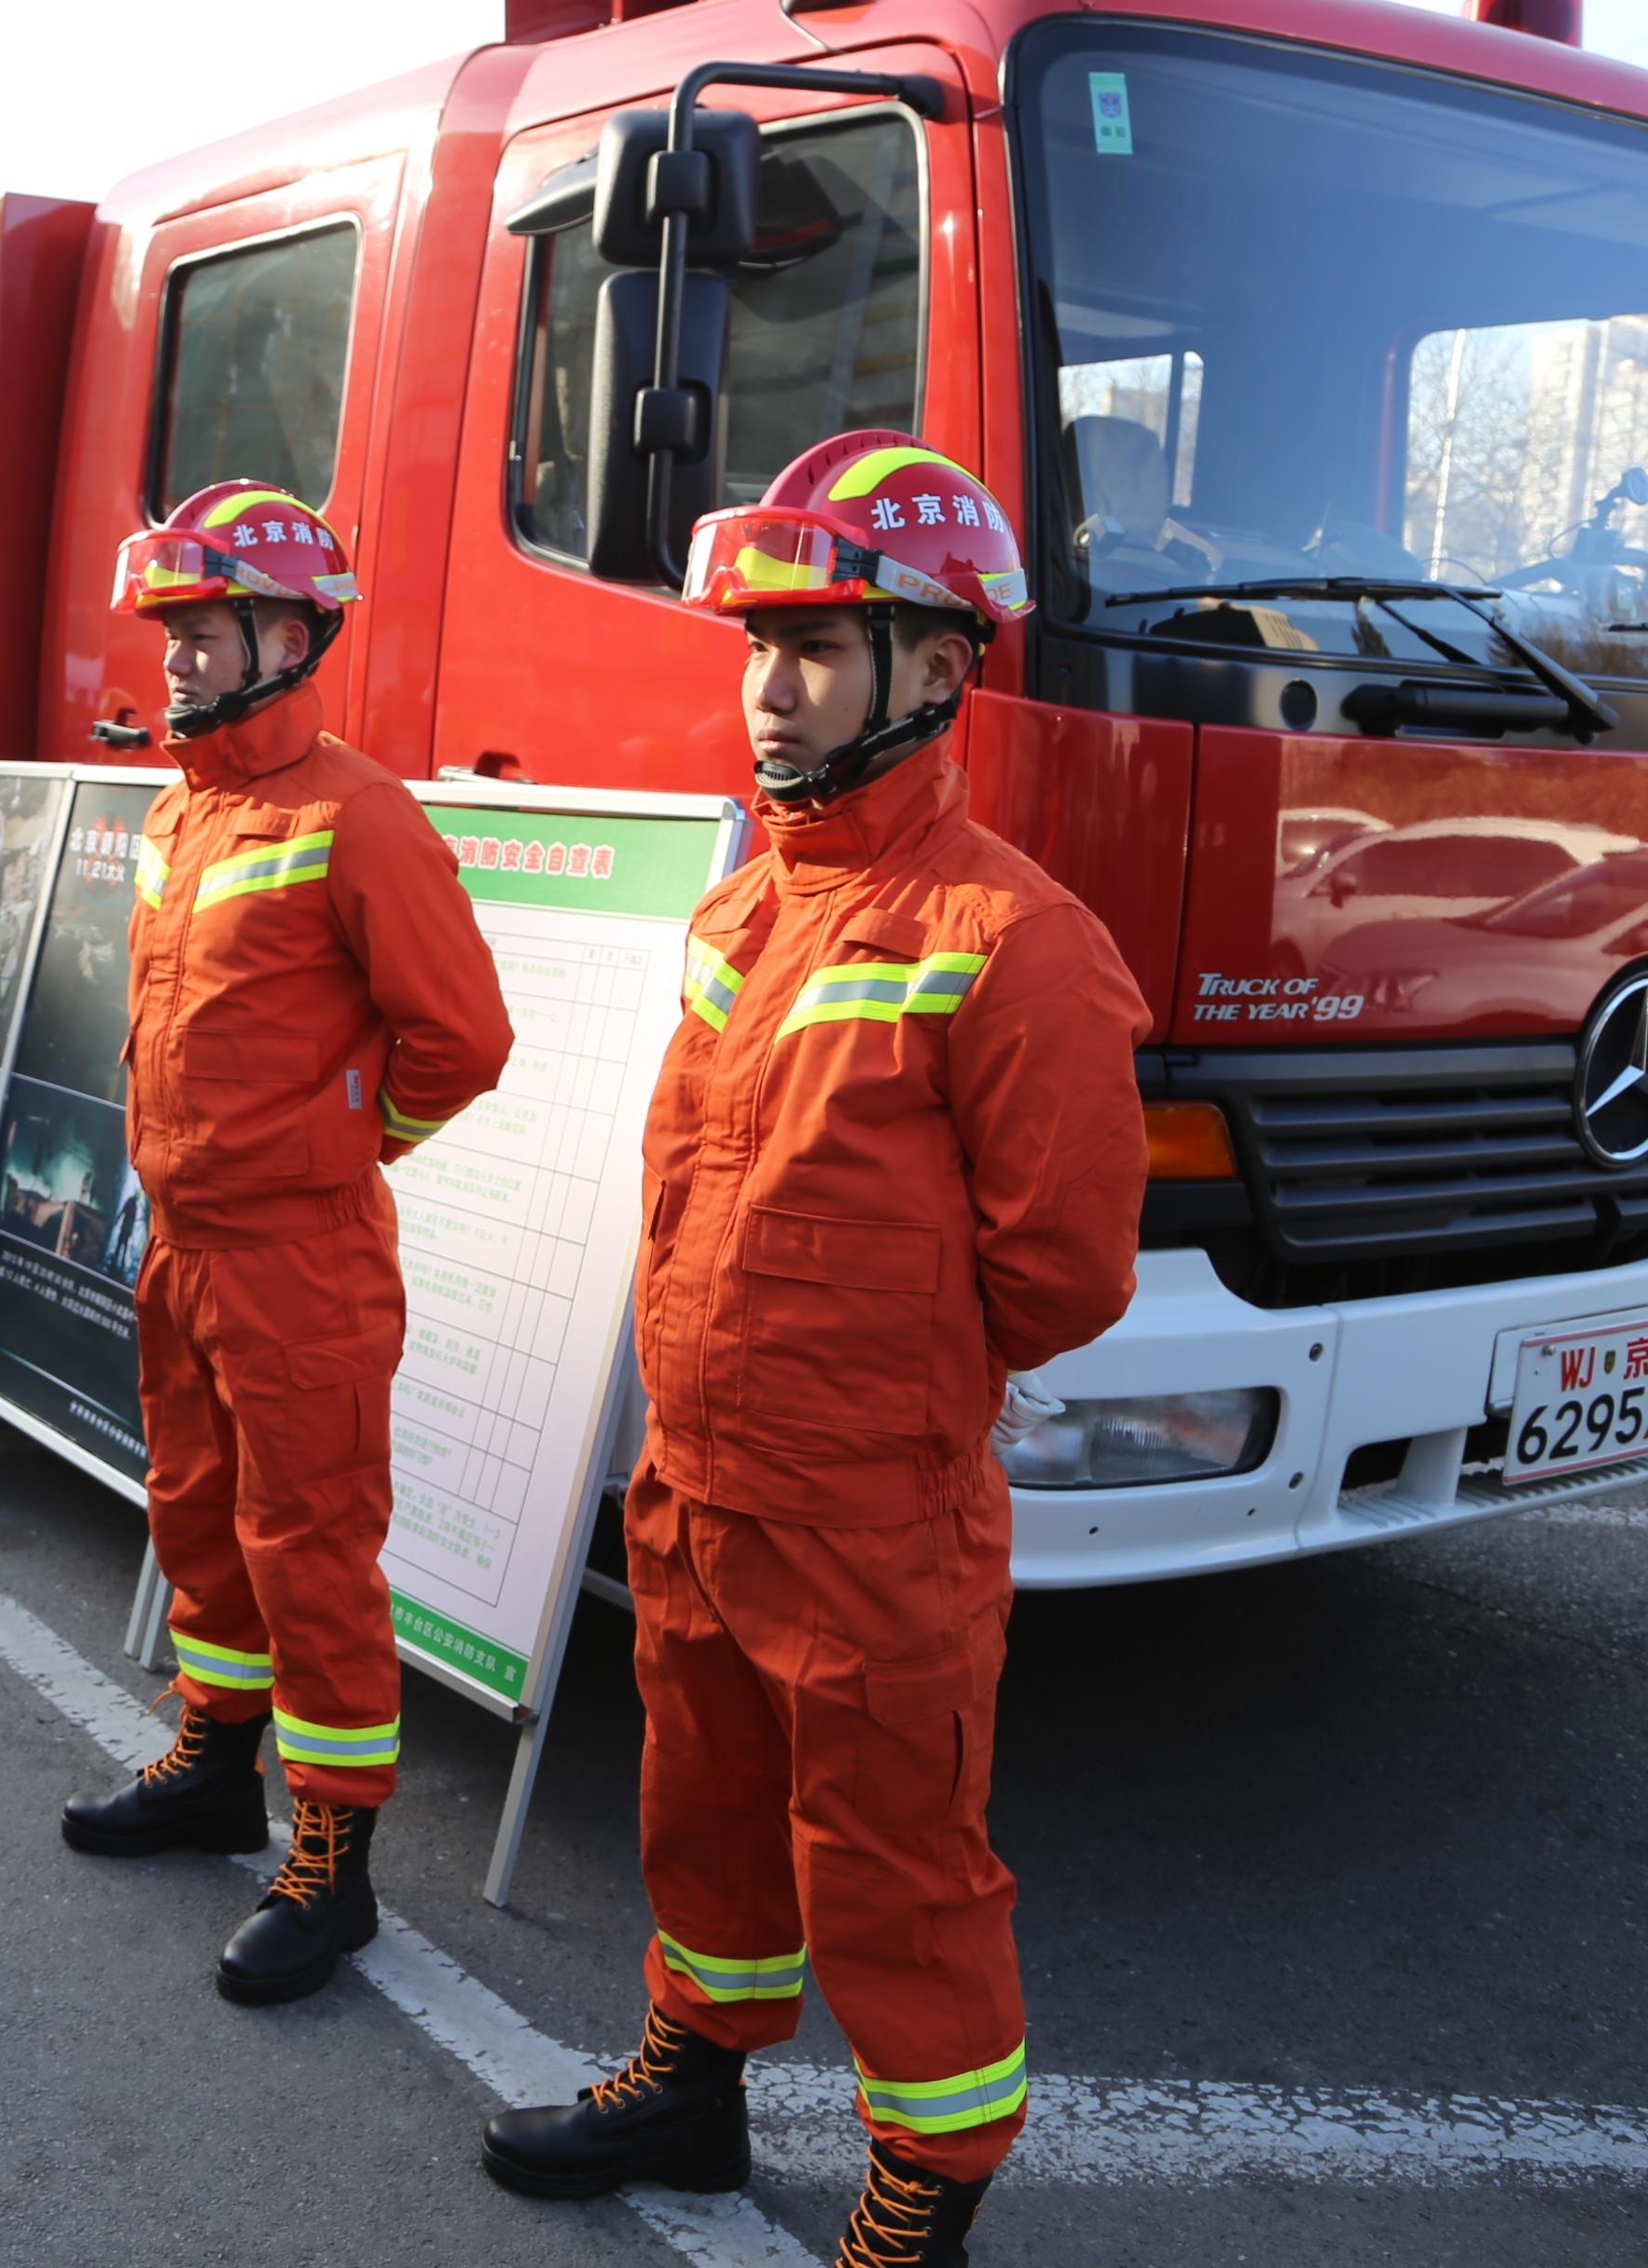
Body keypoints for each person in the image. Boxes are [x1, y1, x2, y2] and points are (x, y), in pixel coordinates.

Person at [478, 434, 1148, 2268]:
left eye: (817, 650)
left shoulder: (1018, 943)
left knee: (896, 1862)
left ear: (933, 669)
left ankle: (927, 2179)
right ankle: (693, 2081)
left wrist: (882, 1389)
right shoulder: (742, 908)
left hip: (872, 1515)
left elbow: (1064, 1269)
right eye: (757, 648)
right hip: (698, 1480)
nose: (769, 690)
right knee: (701, 1812)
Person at [59, 482, 512, 2004]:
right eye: (172, 629)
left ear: (292, 636)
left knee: (309, 1554)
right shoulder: (180, 809)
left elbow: (462, 1036)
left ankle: (332, 1860)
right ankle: (213, 1768)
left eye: (209, 628)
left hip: (300, 1257)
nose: (179, 655)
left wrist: (346, 1146)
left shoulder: (355, 816)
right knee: (199, 1520)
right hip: (181, 1243)